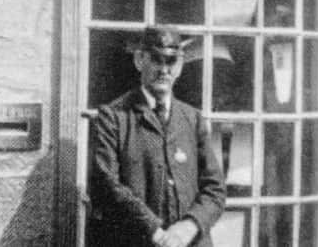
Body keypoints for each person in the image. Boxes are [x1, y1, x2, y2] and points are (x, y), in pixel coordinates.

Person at [88, 26, 225, 247]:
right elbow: (106, 184)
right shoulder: (114, 117)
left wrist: (188, 227)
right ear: (139, 60)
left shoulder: (193, 119)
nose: (164, 70)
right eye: (156, 60)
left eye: (170, 61)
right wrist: (154, 231)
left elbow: (215, 188)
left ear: (180, 66)